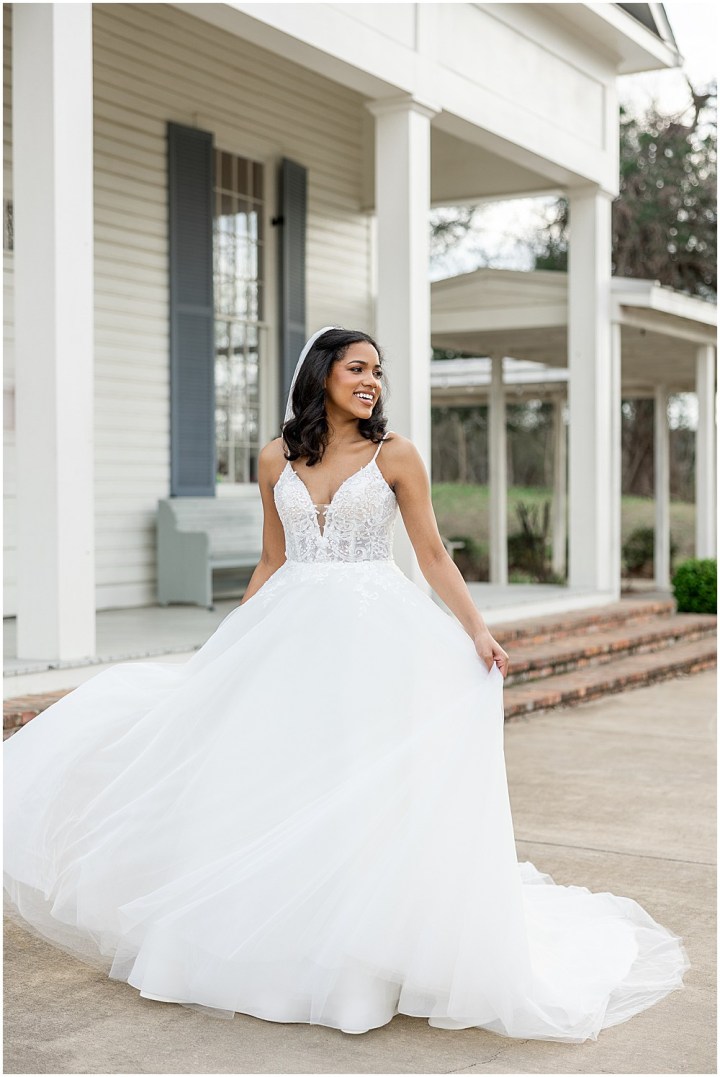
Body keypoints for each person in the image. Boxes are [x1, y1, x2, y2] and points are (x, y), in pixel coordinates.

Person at [4, 326, 689, 1041]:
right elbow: (272, 559)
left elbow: (430, 553)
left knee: (362, 782)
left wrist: (477, 630)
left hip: (376, 638)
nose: (371, 381)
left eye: (378, 372)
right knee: (281, 779)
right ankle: (276, 948)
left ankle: (363, 960)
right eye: (358, 367)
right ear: (323, 373)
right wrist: (229, 647)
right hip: (289, 634)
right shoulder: (275, 457)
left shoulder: (396, 455)